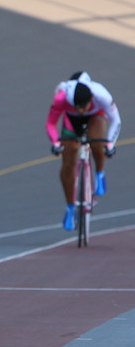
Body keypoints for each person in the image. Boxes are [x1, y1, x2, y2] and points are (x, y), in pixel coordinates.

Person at [47, 71, 120, 231]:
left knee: (97, 142)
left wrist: (110, 145)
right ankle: (70, 208)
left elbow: (116, 120)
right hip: (71, 121)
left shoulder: (101, 94)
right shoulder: (61, 98)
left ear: (91, 99)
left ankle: (99, 173)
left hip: (96, 116)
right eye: (77, 107)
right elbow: (51, 123)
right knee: (67, 163)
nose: (81, 111)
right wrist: (55, 143)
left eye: (83, 107)